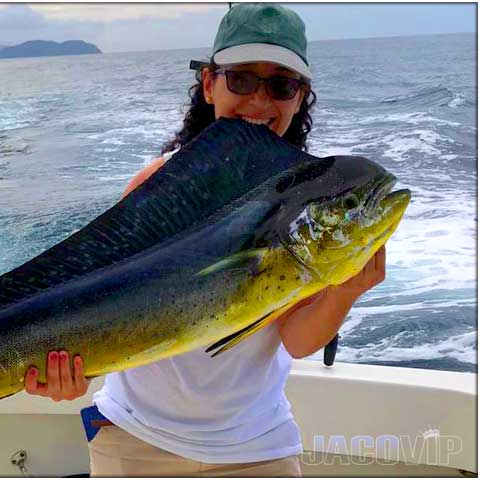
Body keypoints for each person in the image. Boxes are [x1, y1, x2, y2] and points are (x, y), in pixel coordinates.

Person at [24, 3, 386, 477]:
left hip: (256, 448)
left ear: (301, 98)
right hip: (134, 442)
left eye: (280, 85)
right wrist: (72, 373)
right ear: (209, 84)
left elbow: (297, 341)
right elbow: (105, 307)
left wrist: (345, 290)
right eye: (241, 80)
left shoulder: (309, 206)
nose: (259, 100)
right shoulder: (156, 184)